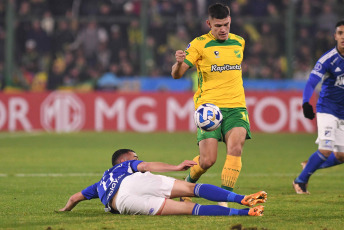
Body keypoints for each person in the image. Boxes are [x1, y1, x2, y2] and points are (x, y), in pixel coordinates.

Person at [171, 3, 250, 206]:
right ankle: (187, 184)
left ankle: (224, 199)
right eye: (218, 26)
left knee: (235, 148)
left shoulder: (239, 42)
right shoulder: (199, 44)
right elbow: (177, 75)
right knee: (207, 161)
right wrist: (179, 63)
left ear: (230, 21)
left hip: (236, 106)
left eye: (226, 24)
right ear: (209, 24)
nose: (223, 29)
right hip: (209, 109)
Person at [59, 149, 267, 216]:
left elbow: (74, 198)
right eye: (134, 156)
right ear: (123, 159)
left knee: (189, 209)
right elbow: (146, 166)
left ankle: (245, 214)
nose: (136, 158)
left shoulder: (99, 184)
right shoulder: (125, 166)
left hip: (121, 204)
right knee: (192, 188)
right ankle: (242, 200)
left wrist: (64, 211)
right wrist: (176, 167)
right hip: (135, 183)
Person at [293, 20, 344, 194]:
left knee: (341, 156)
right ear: (335, 36)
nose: (343, 37)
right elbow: (311, 82)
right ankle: (300, 181)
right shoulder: (328, 59)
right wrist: (306, 102)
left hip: (343, 114)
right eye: (340, 33)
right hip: (328, 109)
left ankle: (309, 165)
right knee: (326, 149)